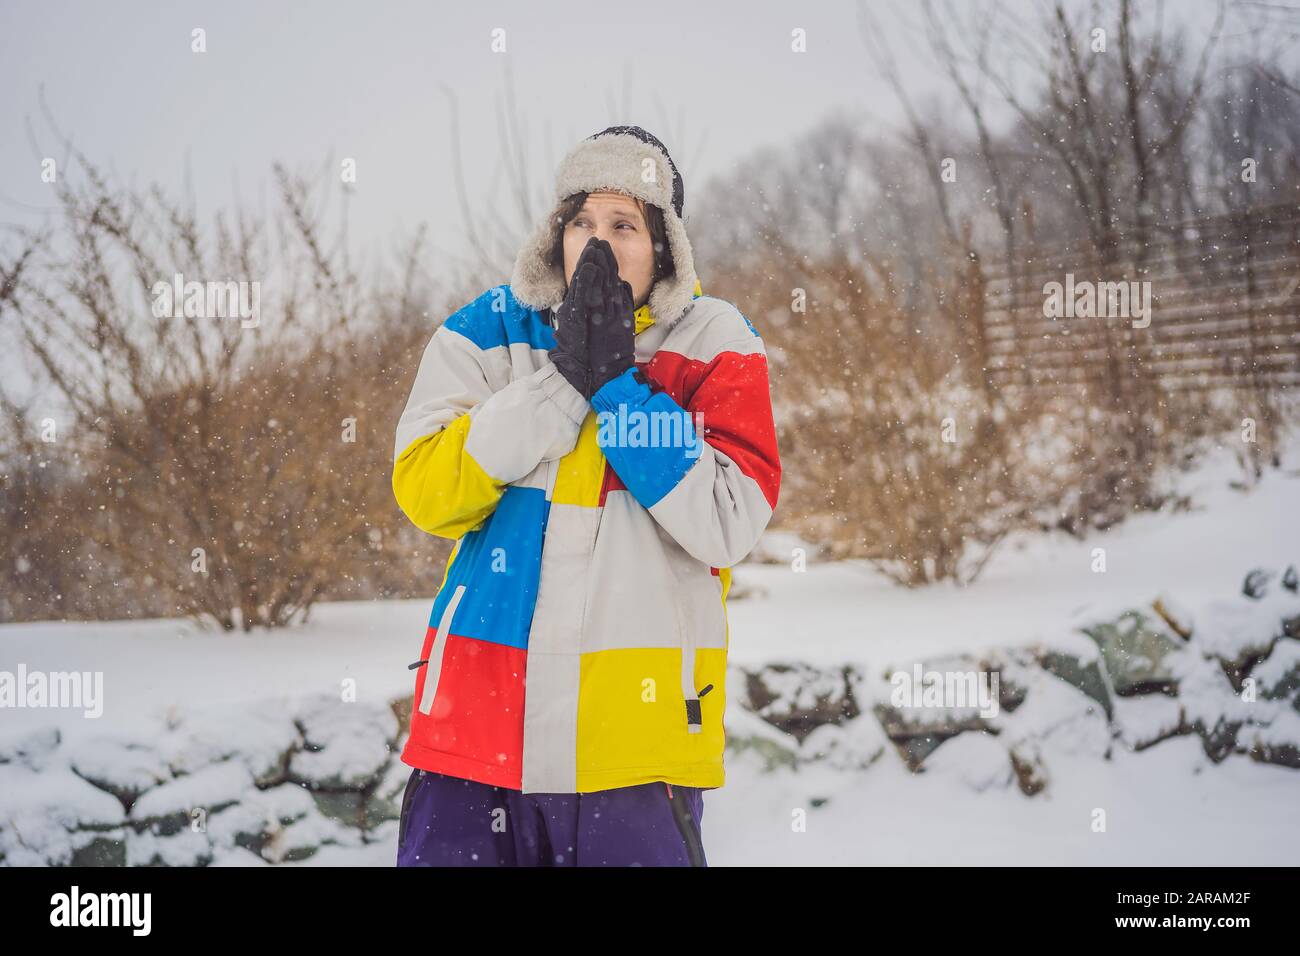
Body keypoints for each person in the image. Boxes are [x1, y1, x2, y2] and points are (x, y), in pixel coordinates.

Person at [390, 125, 781, 866]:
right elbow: (425, 491)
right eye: (582, 222)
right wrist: (558, 385)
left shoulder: (713, 340)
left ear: (665, 244)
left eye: (624, 224)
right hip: (475, 740)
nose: (598, 244)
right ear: (556, 234)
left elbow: (729, 521)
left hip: (631, 754)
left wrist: (618, 392)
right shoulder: (491, 329)